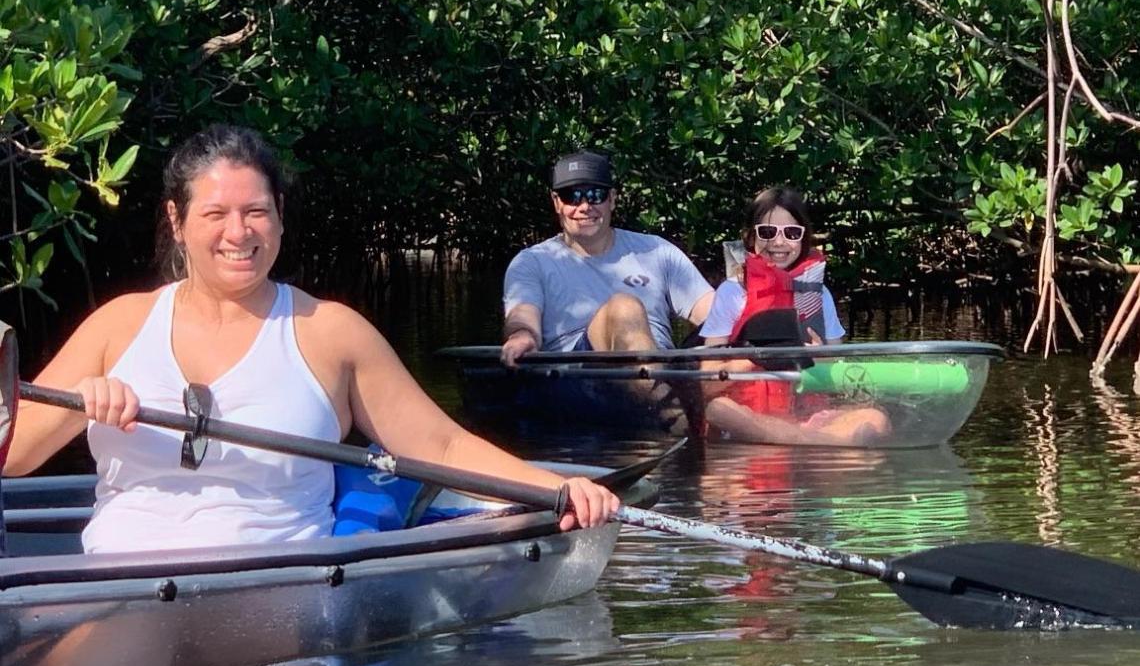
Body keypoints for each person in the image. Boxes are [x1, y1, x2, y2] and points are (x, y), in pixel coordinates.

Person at [4, 126, 618, 552]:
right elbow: (13, 455)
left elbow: (441, 446)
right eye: (215, 215)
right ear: (177, 221)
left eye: (257, 212)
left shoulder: (331, 333)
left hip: (279, 602)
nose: (238, 234)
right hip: (121, 592)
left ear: (279, 217)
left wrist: (556, 490)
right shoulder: (118, 326)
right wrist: (81, 403)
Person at [699, 186, 891, 446]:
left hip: (808, 418)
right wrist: (760, 358)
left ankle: (800, 439)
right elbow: (705, 383)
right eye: (767, 233)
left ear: (804, 239)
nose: (779, 242)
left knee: (875, 419)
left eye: (791, 233)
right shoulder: (731, 293)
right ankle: (814, 443)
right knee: (720, 409)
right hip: (746, 415)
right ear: (749, 238)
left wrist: (816, 357)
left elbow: (838, 377)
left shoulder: (818, 295)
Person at [500, 149, 714, 364]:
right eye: (572, 197)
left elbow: (715, 311)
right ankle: (665, 395)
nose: (584, 207)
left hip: (665, 367)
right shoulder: (531, 262)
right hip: (577, 378)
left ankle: (670, 391)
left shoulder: (658, 250)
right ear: (557, 202)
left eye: (595, 195)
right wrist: (522, 336)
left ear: (611, 199)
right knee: (624, 308)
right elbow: (523, 316)